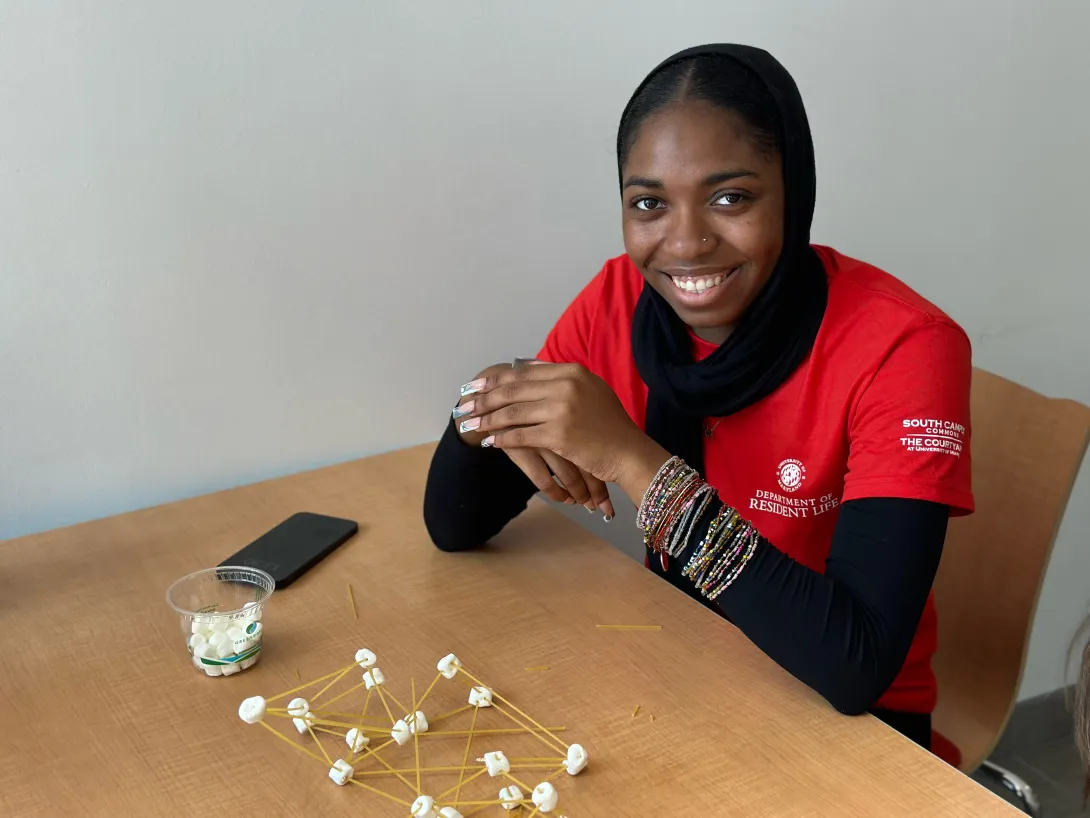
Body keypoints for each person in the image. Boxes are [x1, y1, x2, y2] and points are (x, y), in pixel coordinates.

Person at [422, 44, 974, 751]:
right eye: (649, 204)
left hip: (854, 731)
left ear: (794, 189)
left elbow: (856, 662)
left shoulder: (905, 347)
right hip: (679, 667)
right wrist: (485, 407)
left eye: (730, 197)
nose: (685, 243)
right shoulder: (621, 301)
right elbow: (454, 525)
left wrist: (631, 458)